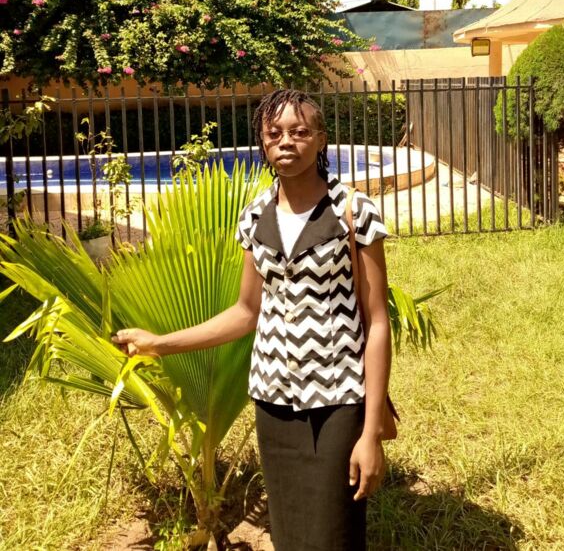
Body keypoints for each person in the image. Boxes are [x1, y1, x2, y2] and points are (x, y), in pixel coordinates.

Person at [112, 88, 392, 551]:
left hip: (338, 398)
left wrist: (371, 430)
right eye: (274, 133)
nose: (286, 141)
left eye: (299, 131)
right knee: (289, 533)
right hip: (272, 398)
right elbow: (246, 312)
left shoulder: (352, 211)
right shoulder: (255, 216)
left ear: (320, 139)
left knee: (333, 535)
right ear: (263, 141)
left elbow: (377, 321)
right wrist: (159, 343)